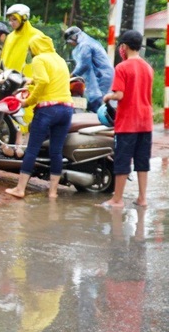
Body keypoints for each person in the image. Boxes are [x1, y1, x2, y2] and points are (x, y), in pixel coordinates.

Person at [5, 34, 73, 199]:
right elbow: (51, 80)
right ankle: (53, 192)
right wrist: (31, 80)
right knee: (56, 151)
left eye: (30, 49)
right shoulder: (59, 59)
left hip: (48, 110)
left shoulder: (39, 59)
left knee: (32, 149)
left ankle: (20, 189)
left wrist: (28, 102)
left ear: (35, 48)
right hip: (66, 109)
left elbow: (43, 81)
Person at [99, 30, 154, 210]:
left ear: (124, 46)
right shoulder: (148, 67)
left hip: (128, 122)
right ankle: (142, 198)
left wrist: (107, 97)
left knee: (122, 160)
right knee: (142, 161)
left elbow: (120, 94)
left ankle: (117, 199)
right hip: (145, 121)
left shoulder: (122, 67)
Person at [1, 4, 44, 136]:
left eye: (14, 19)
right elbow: (4, 58)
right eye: (10, 19)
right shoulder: (10, 37)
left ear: (24, 18)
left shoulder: (37, 36)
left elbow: (44, 59)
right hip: (11, 82)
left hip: (29, 84)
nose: (11, 23)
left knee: (29, 117)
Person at [64, 26, 114, 113]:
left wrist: (70, 76)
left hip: (101, 76)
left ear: (74, 37)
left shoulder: (85, 45)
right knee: (94, 101)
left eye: (70, 42)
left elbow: (84, 65)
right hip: (101, 75)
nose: (71, 44)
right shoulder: (88, 42)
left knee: (96, 102)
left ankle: (97, 122)